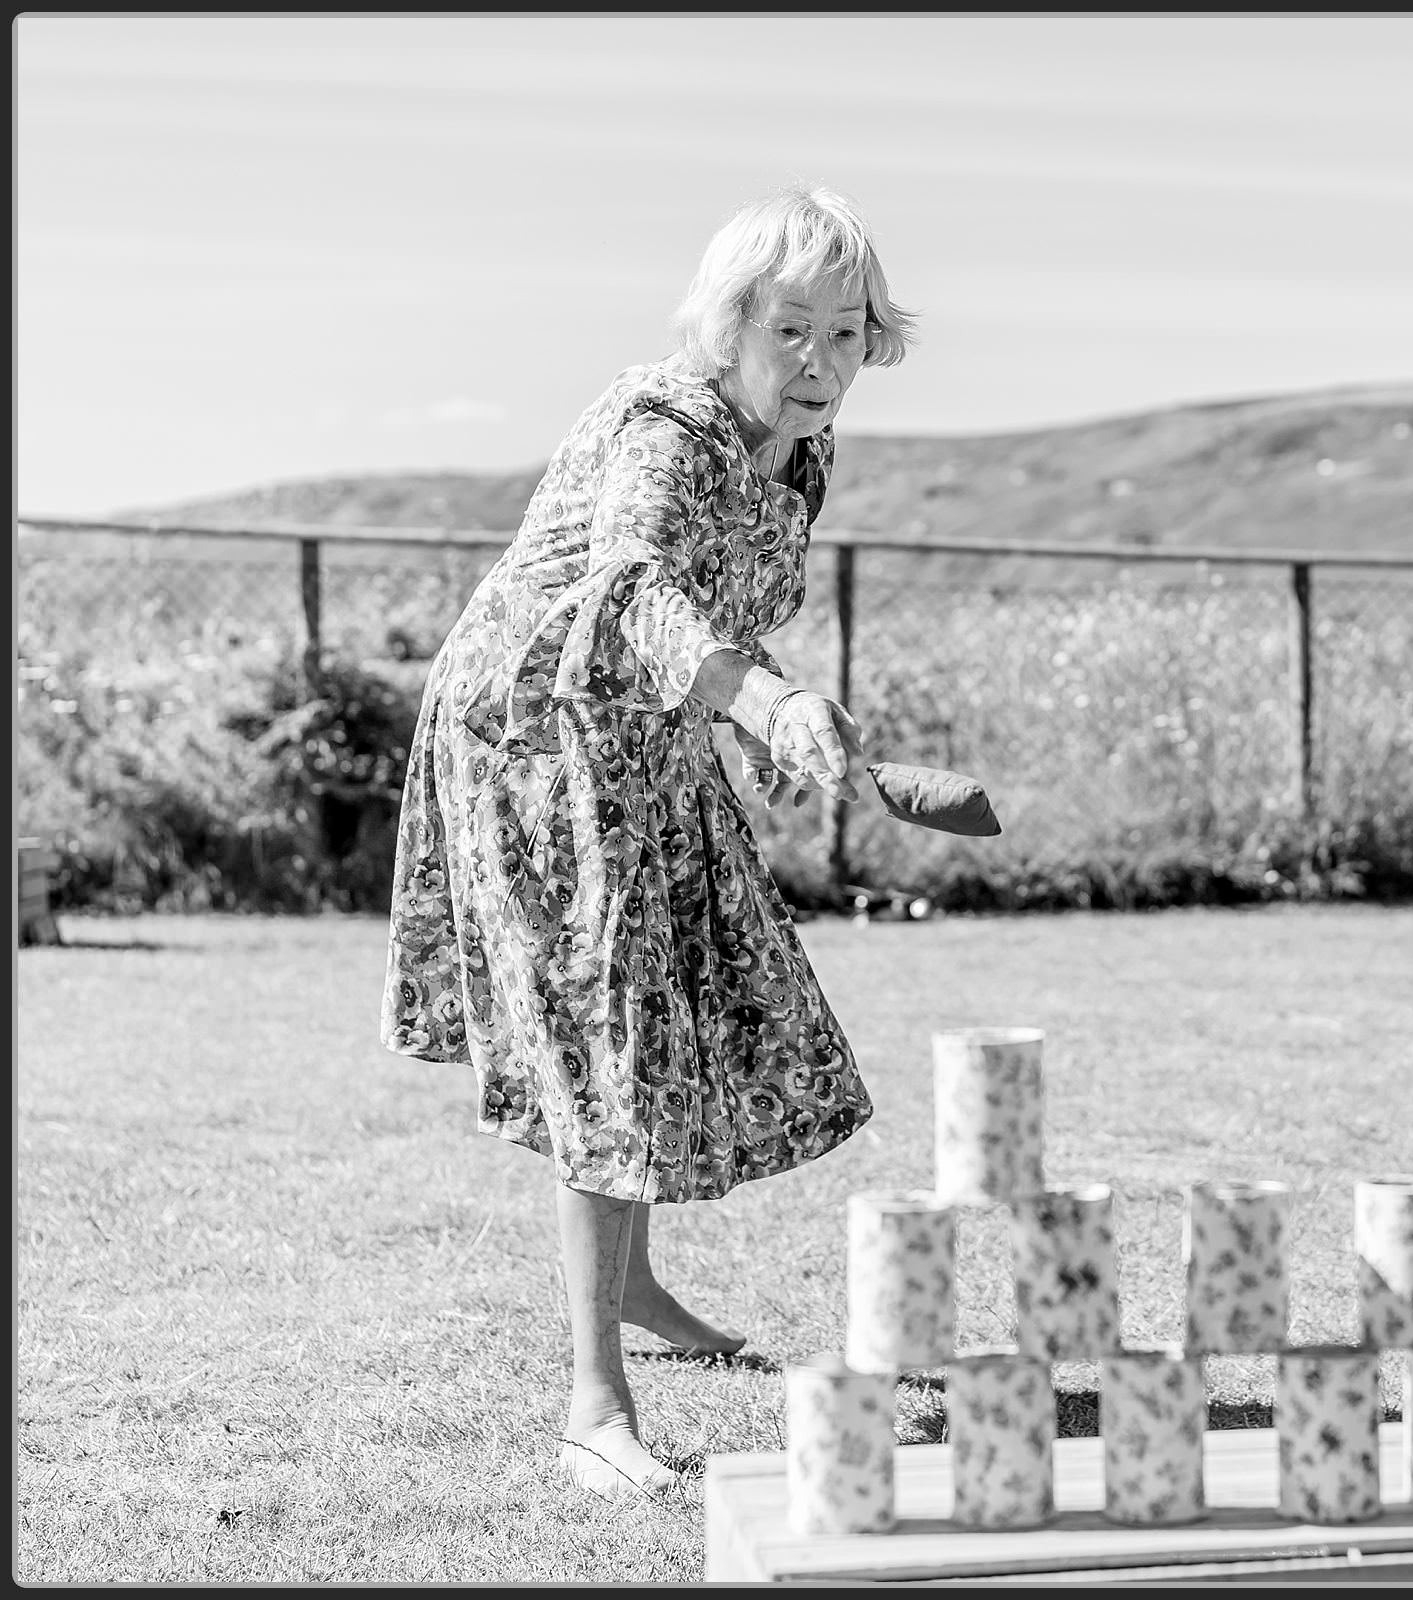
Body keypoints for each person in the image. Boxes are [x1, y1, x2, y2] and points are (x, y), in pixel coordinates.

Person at [380, 183, 914, 1501]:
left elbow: (718, 610)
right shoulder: (663, 423)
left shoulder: (806, 450)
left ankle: (641, 1290)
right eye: (793, 329)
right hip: (538, 738)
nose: (821, 363)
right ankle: (591, 1411)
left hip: (652, 734)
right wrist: (762, 698)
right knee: (610, 1040)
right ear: (726, 325)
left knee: (675, 1013)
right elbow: (631, 585)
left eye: (846, 334)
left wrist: (772, 707)